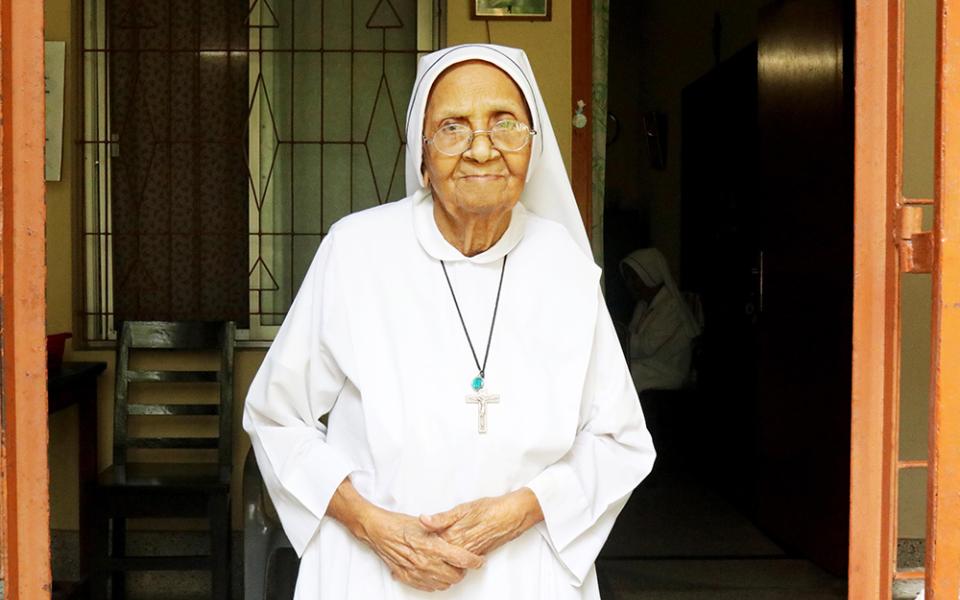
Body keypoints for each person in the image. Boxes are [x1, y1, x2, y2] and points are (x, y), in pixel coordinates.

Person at [242, 44, 655, 599]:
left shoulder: (564, 266)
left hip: (524, 574)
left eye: (505, 123)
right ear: (422, 152)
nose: (482, 149)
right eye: (454, 127)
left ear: (534, 146)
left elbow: (620, 440)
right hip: (376, 573)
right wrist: (373, 525)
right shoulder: (356, 251)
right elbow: (276, 418)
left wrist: (522, 511)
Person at [619, 248, 702, 393]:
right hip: (648, 365)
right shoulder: (643, 305)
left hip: (667, 371)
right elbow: (632, 336)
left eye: (634, 278)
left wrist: (620, 337)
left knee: (620, 375)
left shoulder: (672, 306)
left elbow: (646, 346)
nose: (630, 284)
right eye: (627, 278)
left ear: (649, 274)